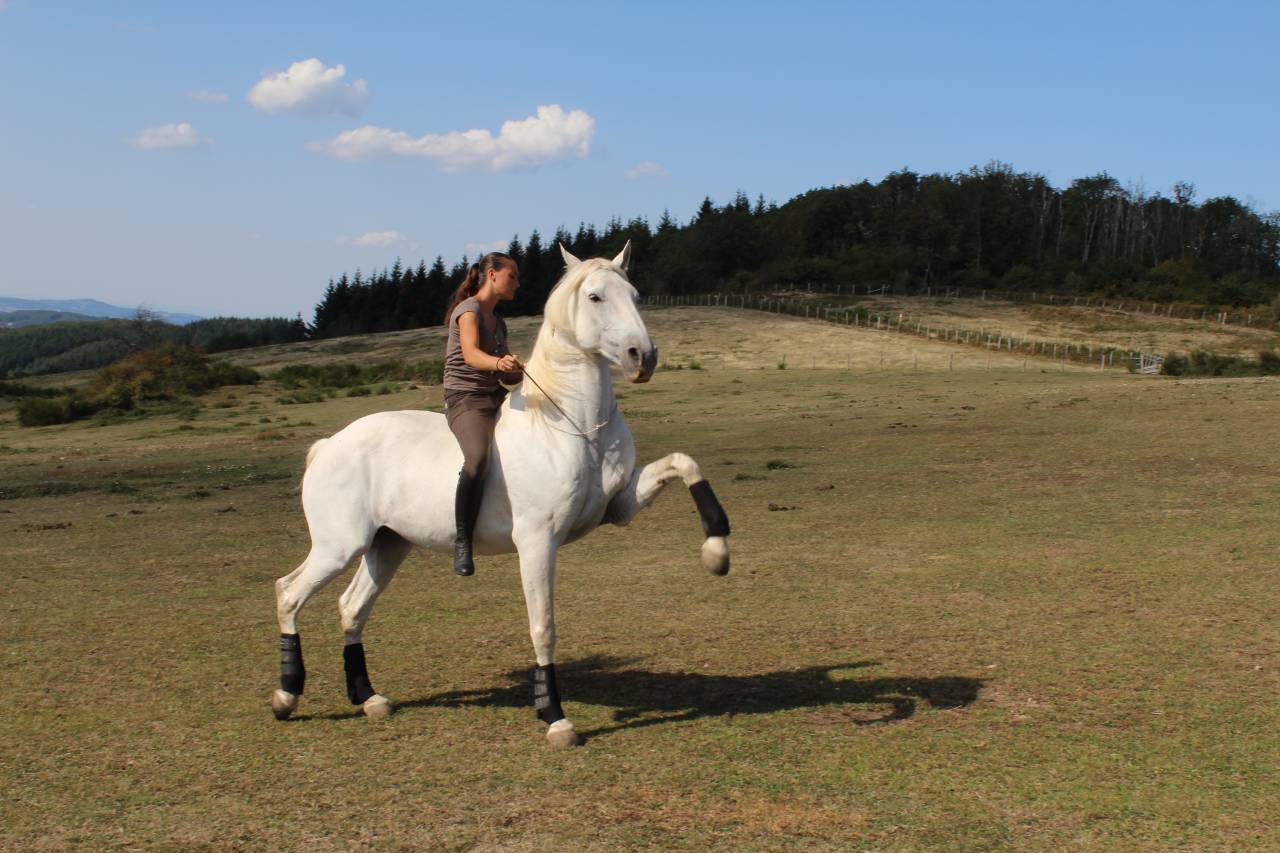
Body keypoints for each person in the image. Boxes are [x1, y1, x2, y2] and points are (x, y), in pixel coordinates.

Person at [442, 252, 523, 576]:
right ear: (492, 275)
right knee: (476, 459)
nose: (517, 283)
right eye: (512, 276)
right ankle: (463, 540)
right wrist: (499, 363)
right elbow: (473, 355)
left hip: (493, 394)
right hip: (465, 398)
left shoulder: (498, 321)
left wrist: (516, 370)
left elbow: (503, 373)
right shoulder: (469, 310)